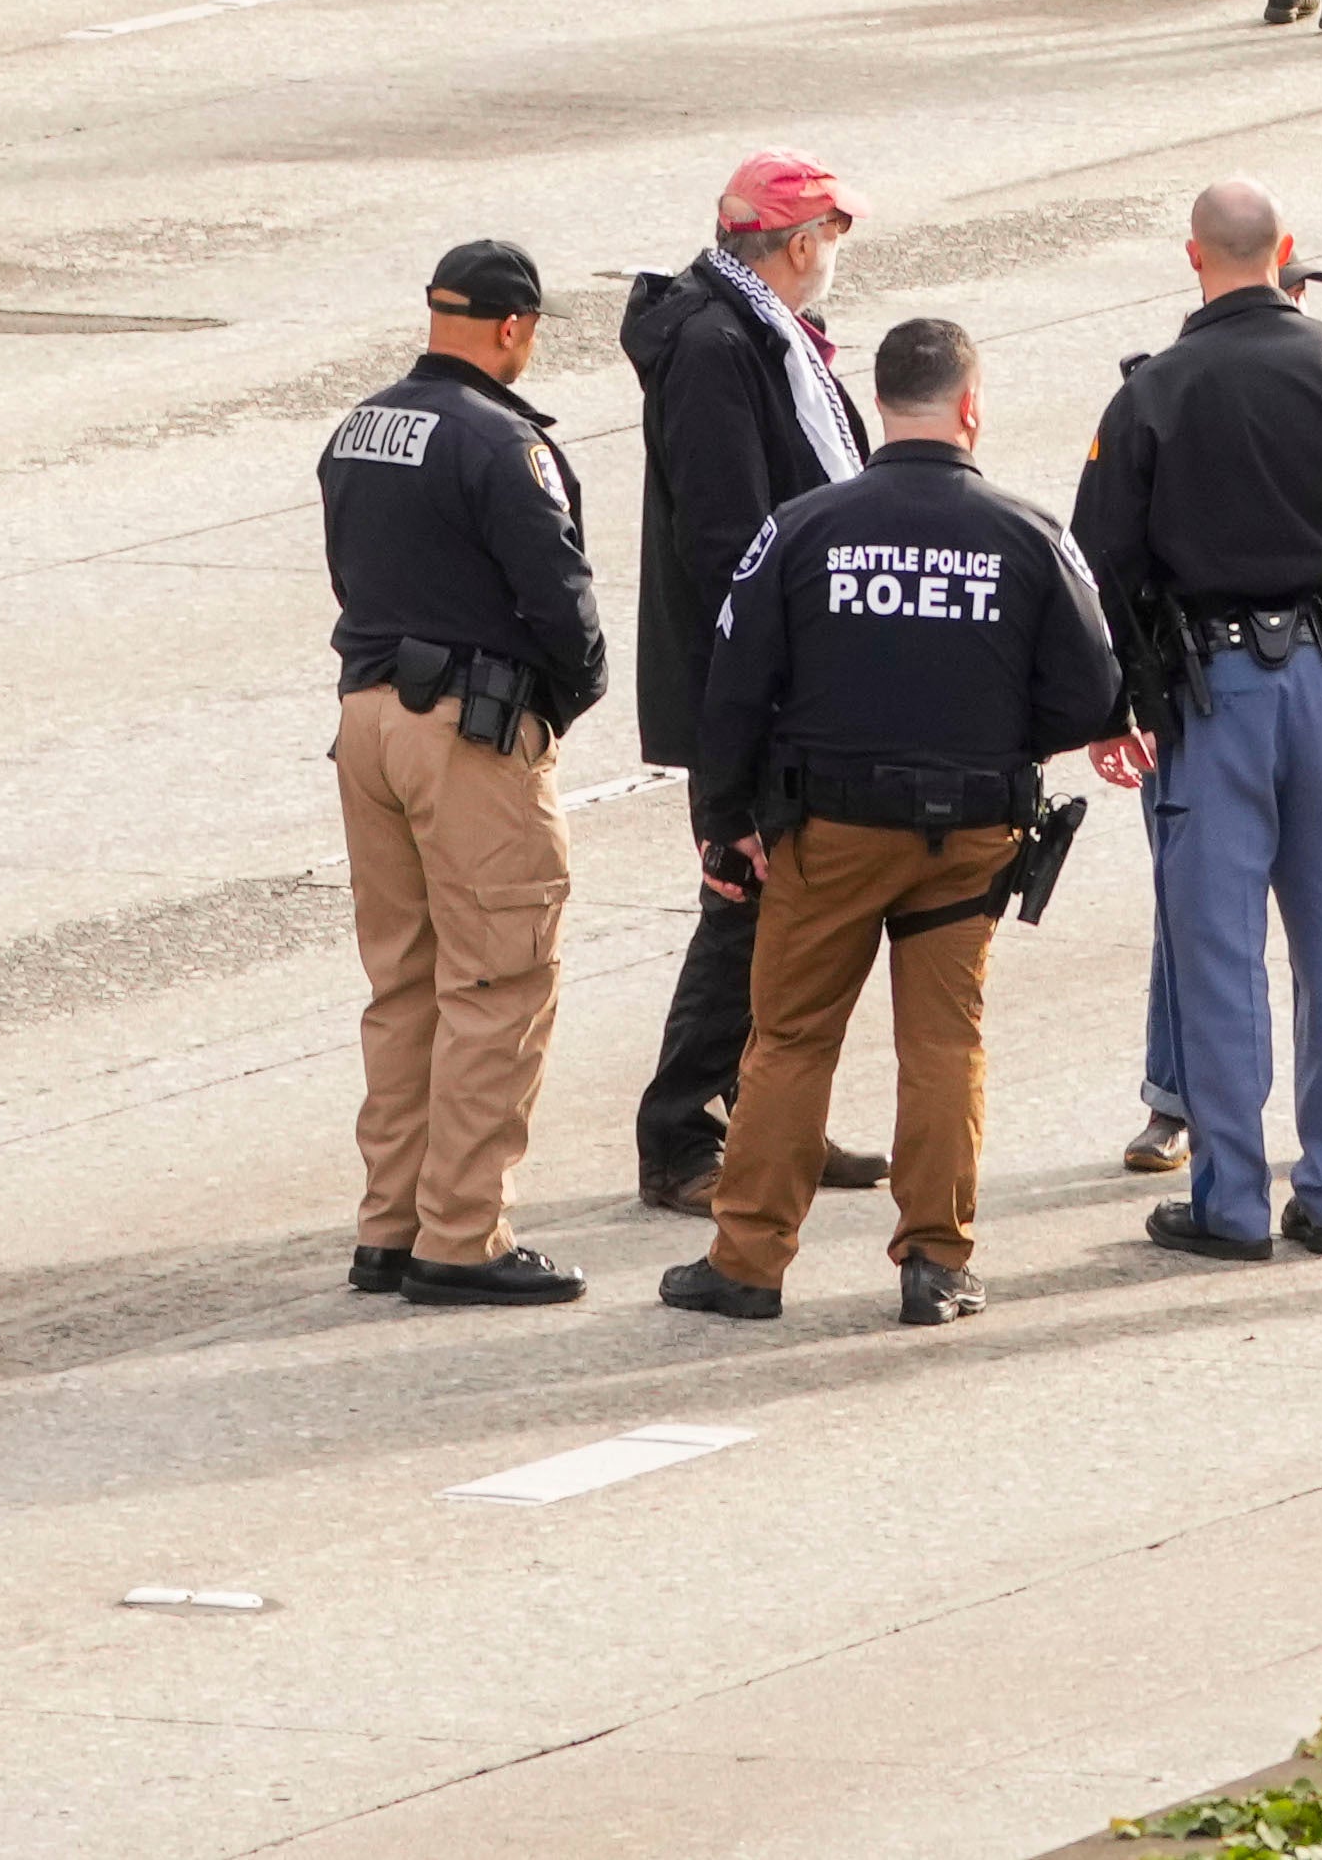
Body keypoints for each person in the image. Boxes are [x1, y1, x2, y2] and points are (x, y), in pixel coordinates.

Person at [653, 310, 1116, 1336]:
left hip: (827, 832)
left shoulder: (802, 527)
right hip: (969, 835)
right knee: (944, 1044)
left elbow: (732, 687)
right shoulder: (1030, 533)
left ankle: (749, 1261)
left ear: (876, 406)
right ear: (971, 407)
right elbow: (1091, 693)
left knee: (789, 1041)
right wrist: (998, 736)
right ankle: (936, 1262)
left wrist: (726, 819)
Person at [1076, 180, 1322, 1266]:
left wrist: (1122, 703)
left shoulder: (1153, 394)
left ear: (1195, 257)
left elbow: (1102, 565)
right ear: (1285, 249)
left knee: (1217, 951)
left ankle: (1230, 1202)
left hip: (1212, 695)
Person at [319, 235, 603, 1308]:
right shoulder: (502, 442)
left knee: (404, 984)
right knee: (498, 978)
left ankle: (389, 1225)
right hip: (467, 732)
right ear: (514, 326)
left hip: (366, 717)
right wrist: (552, 711)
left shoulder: (360, 424)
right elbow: (562, 605)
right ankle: (464, 1232)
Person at [619, 160, 878, 1211]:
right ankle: (681, 1132)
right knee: (748, 900)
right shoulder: (720, 344)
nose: (835, 253)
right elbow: (731, 532)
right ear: (800, 241)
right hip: (755, 677)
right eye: (832, 232)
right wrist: (786, 660)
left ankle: (774, 1119)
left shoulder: (761, 331)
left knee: (794, 908)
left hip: (784, 668)